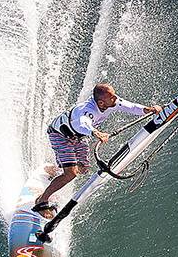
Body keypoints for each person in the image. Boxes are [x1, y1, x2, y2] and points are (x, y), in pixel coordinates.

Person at [33, 82, 161, 216]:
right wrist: (96, 132)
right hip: (60, 134)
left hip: (79, 136)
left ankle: (56, 169)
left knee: (83, 168)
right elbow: (83, 123)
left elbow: (130, 106)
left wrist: (149, 109)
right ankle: (41, 200)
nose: (115, 98)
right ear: (101, 103)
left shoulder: (112, 102)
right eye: (112, 97)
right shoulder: (87, 110)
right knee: (71, 173)